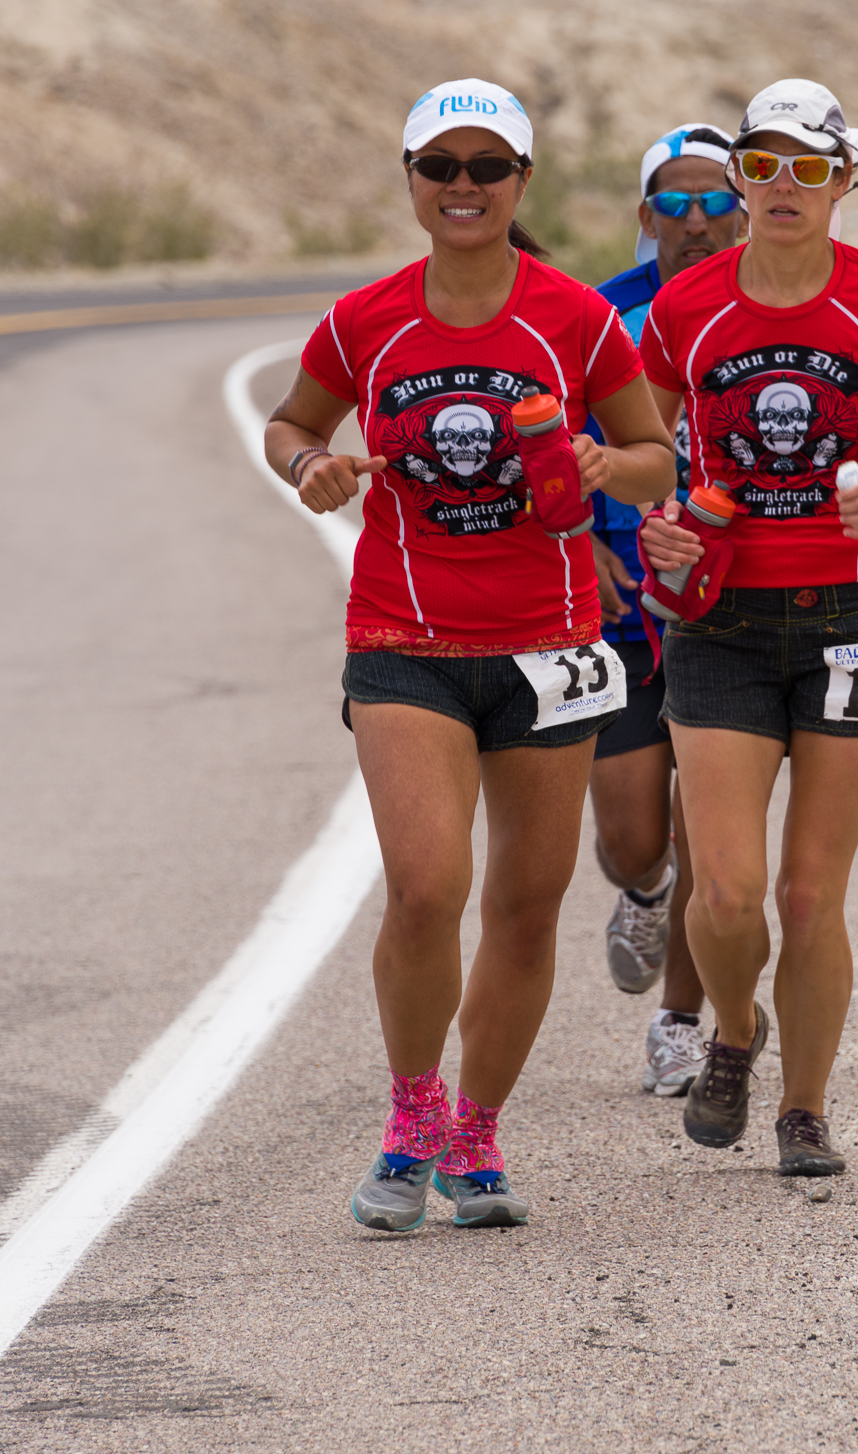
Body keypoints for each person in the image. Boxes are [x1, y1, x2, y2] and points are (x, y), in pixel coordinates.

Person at [265, 79, 675, 1231]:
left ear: (520, 185)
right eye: (438, 165)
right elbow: (291, 422)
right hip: (402, 635)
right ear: (408, 178)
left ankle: (475, 1134)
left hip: (547, 645)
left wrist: (605, 470)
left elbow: (650, 453)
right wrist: (310, 469)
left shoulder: (575, 320)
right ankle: (409, 1117)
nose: (460, 186)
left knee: (527, 906)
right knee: (425, 883)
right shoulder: (366, 319)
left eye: (484, 167)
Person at [637, 79, 858, 1177]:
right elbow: (650, 460)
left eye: (808, 168)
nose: (783, 187)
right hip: (721, 624)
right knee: (725, 888)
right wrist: (661, 528)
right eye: (762, 165)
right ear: (735, 177)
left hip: (856, 620)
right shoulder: (685, 311)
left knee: (807, 890)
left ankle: (804, 1109)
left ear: (842, 182)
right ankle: (734, 1027)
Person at [585, 124, 745, 1096]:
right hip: (625, 609)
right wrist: (581, 538)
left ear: (738, 208)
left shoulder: (772, 310)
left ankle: (681, 1021)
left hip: (734, 609)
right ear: (647, 216)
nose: (694, 221)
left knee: (707, 832)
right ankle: (641, 893)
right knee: (635, 839)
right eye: (673, 205)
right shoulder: (602, 315)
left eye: (711, 201)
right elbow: (551, 438)